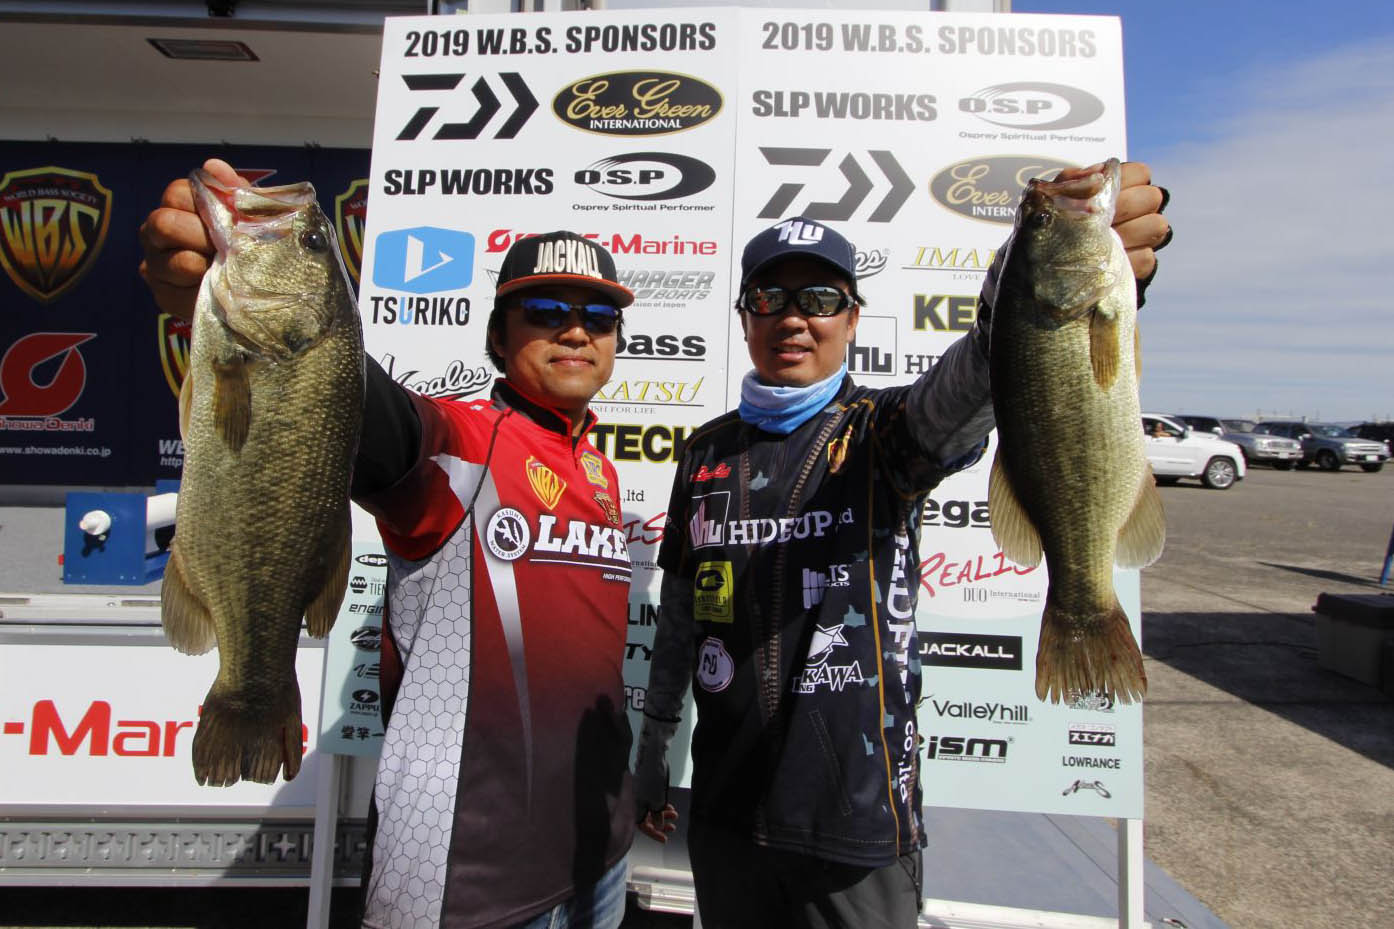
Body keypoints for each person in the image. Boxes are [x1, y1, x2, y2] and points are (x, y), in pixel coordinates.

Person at [631, 164, 1171, 928]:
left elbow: (977, 375)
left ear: (853, 319)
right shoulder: (704, 453)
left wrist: (1030, 272)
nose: (794, 318)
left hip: (857, 828)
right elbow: (681, 620)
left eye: (820, 300)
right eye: (770, 298)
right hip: (726, 820)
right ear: (745, 316)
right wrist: (654, 748)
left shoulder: (884, 433)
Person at [139, 159, 637, 929]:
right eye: (544, 309)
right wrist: (256, 299)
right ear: (498, 338)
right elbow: (354, 405)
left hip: (599, 851)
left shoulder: (601, 469)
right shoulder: (460, 441)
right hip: (463, 877)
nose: (575, 329)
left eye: (598, 317)